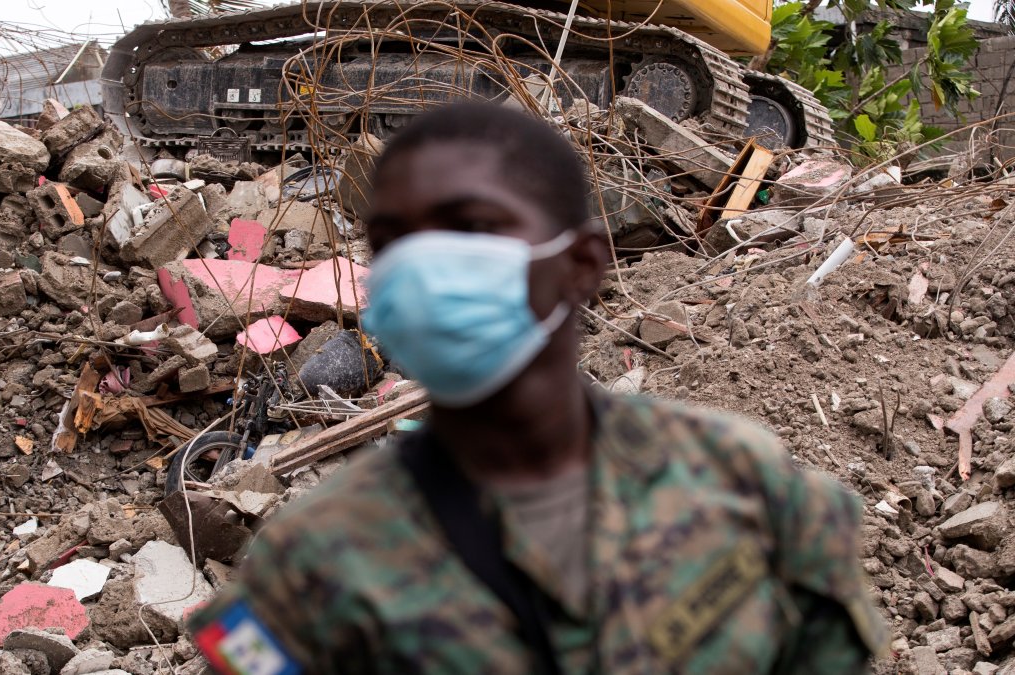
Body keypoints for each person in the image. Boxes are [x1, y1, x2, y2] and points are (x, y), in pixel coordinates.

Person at [187, 103, 890, 674]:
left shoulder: (746, 482)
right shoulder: (308, 567)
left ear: (582, 264)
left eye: (472, 227)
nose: (427, 265)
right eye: (394, 240)